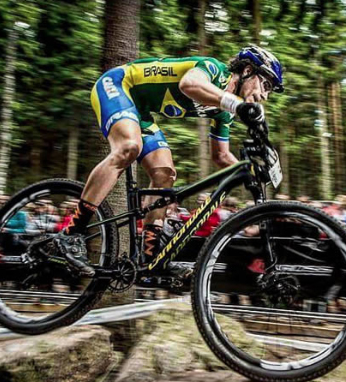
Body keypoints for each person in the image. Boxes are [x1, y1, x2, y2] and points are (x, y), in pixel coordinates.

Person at [53, 46, 283, 278]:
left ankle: (151, 256)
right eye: (266, 85)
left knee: (165, 175)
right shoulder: (214, 70)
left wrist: (250, 174)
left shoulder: (224, 112)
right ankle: (71, 233)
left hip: (140, 111)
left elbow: (221, 156)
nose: (265, 96)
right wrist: (237, 105)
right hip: (118, 85)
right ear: (246, 70)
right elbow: (189, 85)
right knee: (129, 147)